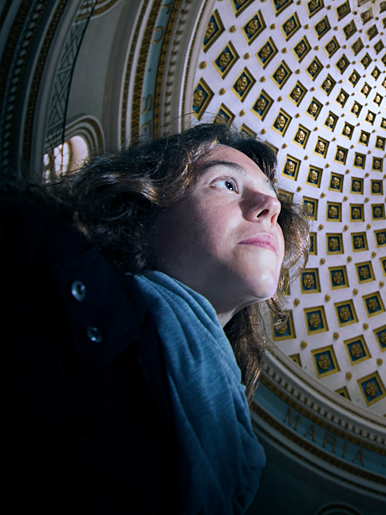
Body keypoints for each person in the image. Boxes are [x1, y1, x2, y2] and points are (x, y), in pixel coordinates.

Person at [3, 122, 308, 514]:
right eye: (228, 185)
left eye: (274, 203)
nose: (271, 209)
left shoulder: (237, 462)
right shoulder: (37, 260)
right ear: (145, 204)